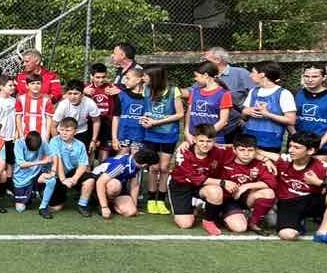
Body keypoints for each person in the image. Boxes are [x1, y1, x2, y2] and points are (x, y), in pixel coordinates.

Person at [272, 131, 327, 246]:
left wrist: (320, 182)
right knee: (288, 235)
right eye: (290, 146)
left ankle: (322, 233)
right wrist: (265, 159)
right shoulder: (284, 159)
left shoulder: (321, 166)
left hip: (311, 201)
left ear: (310, 150)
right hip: (288, 204)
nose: (291, 150)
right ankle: (299, 222)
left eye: (297, 147)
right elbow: (257, 152)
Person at [167, 125, 231, 235]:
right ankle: (195, 205)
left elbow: (239, 149)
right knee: (185, 224)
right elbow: (195, 177)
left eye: (209, 141)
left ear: (214, 141)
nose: (205, 144)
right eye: (201, 141)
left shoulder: (218, 151)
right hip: (181, 185)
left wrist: (262, 156)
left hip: (202, 186)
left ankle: (208, 221)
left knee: (216, 191)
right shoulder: (183, 152)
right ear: (195, 139)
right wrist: (223, 183)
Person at [139, 66, 182, 214]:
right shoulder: (145, 89)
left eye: (145, 76)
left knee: (164, 168)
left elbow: (179, 114)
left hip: (168, 134)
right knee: (153, 167)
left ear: (154, 77)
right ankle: (151, 200)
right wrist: (144, 119)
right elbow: (145, 109)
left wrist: (156, 122)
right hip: (150, 134)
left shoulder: (174, 91)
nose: (143, 78)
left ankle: (161, 200)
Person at [216, 134, 276, 233]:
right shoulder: (225, 157)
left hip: (246, 198)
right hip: (227, 200)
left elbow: (272, 183)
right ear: (234, 150)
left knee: (269, 193)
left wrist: (246, 186)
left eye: (250, 150)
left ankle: (253, 222)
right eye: (242, 150)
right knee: (240, 228)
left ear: (256, 151)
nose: (246, 154)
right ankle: (222, 214)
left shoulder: (260, 164)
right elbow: (211, 146)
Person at [37, 117, 92, 218]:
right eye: (61, 130)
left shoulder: (80, 145)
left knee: (90, 180)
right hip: (56, 175)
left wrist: (74, 179)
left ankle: (82, 205)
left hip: (70, 173)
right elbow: (58, 161)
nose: (64, 133)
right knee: (57, 207)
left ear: (75, 131)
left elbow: (83, 165)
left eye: (68, 130)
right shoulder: (55, 141)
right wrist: (63, 179)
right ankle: (43, 192)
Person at [239, 62, 296, 157]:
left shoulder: (284, 93)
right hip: (248, 140)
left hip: (270, 142)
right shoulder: (253, 91)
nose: (250, 75)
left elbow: (291, 120)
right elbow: (244, 117)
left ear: (262, 75)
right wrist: (246, 111)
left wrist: (267, 114)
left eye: (253, 72)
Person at [294, 64, 327, 161]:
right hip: (297, 144)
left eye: (314, 76)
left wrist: (319, 144)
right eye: (306, 76)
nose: (310, 79)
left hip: (322, 145)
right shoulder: (296, 94)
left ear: (324, 77)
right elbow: (290, 120)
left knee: (317, 170)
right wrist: (296, 139)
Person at [94, 147, 158, 219]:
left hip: (117, 188)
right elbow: (100, 182)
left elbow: (135, 186)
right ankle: (101, 204)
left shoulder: (136, 165)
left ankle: (112, 205)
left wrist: (134, 206)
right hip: (97, 184)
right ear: (145, 165)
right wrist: (104, 207)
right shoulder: (122, 165)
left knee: (131, 212)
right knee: (114, 185)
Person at [185, 62, 233, 140]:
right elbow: (189, 114)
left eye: (196, 76)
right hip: (193, 138)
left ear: (206, 75)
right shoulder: (195, 92)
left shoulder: (224, 94)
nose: (195, 79)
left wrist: (204, 137)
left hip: (213, 139)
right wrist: (187, 132)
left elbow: (223, 121)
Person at [10, 131, 49, 212]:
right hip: (21, 177)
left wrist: (50, 168)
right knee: (20, 209)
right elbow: (21, 164)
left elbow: (51, 156)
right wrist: (41, 162)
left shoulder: (42, 141)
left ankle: (39, 192)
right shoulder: (19, 143)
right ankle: (23, 195)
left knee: (50, 178)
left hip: (38, 173)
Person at [14, 73, 54, 145]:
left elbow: (49, 118)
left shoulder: (46, 99)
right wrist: (21, 134)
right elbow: (18, 118)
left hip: (42, 136)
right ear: (27, 85)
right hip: (25, 135)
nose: (35, 86)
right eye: (32, 83)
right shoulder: (21, 99)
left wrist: (47, 135)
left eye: (38, 83)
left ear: (41, 85)